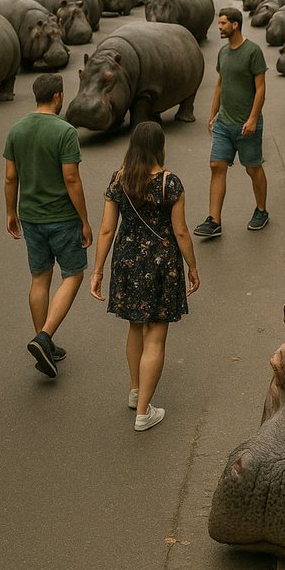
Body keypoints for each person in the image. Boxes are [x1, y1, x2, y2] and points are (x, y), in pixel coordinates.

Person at [90, 122, 199, 431]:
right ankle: (143, 412)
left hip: (126, 260)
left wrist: (97, 270)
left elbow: (107, 230)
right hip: (161, 263)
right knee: (156, 334)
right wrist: (192, 266)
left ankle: (136, 389)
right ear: (159, 147)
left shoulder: (118, 180)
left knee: (135, 327)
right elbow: (180, 231)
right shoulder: (170, 184)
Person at [3, 73, 92, 379]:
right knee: (74, 275)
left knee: (39, 278)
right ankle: (44, 337)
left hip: (30, 216)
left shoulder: (17, 129)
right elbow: (71, 179)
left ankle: (45, 343)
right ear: (57, 97)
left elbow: (10, 177)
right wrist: (85, 220)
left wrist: (10, 212)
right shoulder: (65, 131)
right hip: (62, 218)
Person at [194, 7, 268, 237]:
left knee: (253, 168)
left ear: (235, 25)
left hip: (247, 125)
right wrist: (212, 114)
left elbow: (261, 88)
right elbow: (220, 84)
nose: (220, 27)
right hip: (224, 124)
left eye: (223, 23)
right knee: (216, 166)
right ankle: (214, 220)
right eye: (219, 23)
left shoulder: (253, 51)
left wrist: (253, 118)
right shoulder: (223, 53)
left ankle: (261, 211)